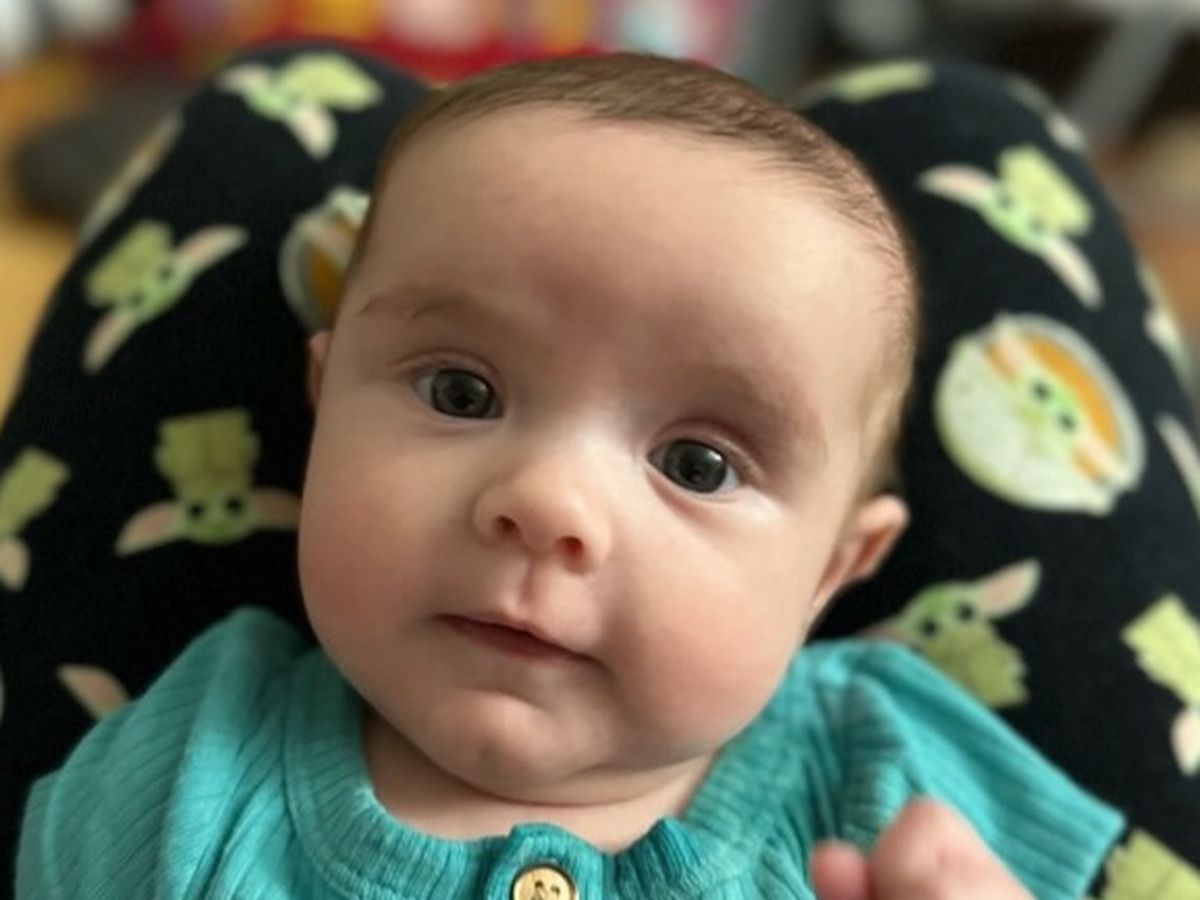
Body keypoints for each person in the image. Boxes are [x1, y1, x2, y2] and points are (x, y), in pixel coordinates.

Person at [14, 53, 1124, 899]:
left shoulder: (890, 776)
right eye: (461, 393)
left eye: (697, 464)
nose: (546, 503)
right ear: (323, 408)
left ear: (833, 568)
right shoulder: (189, 773)